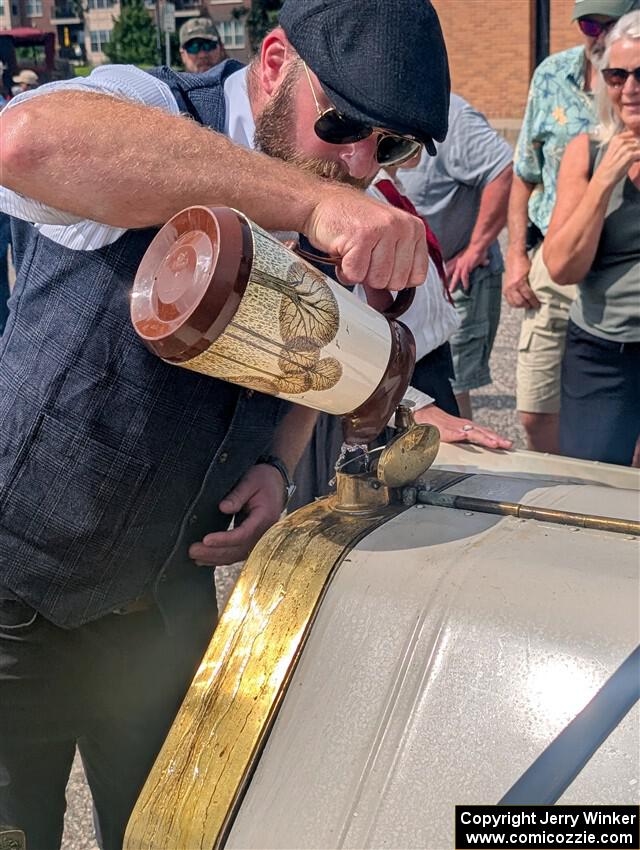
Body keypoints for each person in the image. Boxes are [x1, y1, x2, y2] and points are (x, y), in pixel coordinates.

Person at [0, 1, 452, 846]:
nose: (359, 163)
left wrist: (278, 461)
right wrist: (309, 202)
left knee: (170, 834)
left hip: (165, 600)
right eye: (343, 123)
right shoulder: (157, 106)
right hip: (17, 591)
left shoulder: (340, 188)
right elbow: (25, 143)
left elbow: (323, 343)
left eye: (390, 146)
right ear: (275, 62)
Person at [504, 0, 640, 454]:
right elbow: (523, 174)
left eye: (610, 24)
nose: (629, 88)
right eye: (617, 76)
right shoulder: (583, 134)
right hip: (575, 284)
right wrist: (515, 255)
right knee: (541, 415)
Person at [543, 11, 640, 467]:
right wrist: (603, 183)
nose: (630, 88)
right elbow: (562, 267)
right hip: (603, 352)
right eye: (617, 76)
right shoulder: (587, 150)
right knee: (594, 481)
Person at [399, 94, 512, 421]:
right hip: (412, 283)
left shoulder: (453, 116)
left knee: (449, 391)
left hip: (456, 279)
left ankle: (461, 451)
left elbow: (504, 170)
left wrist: (475, 248)